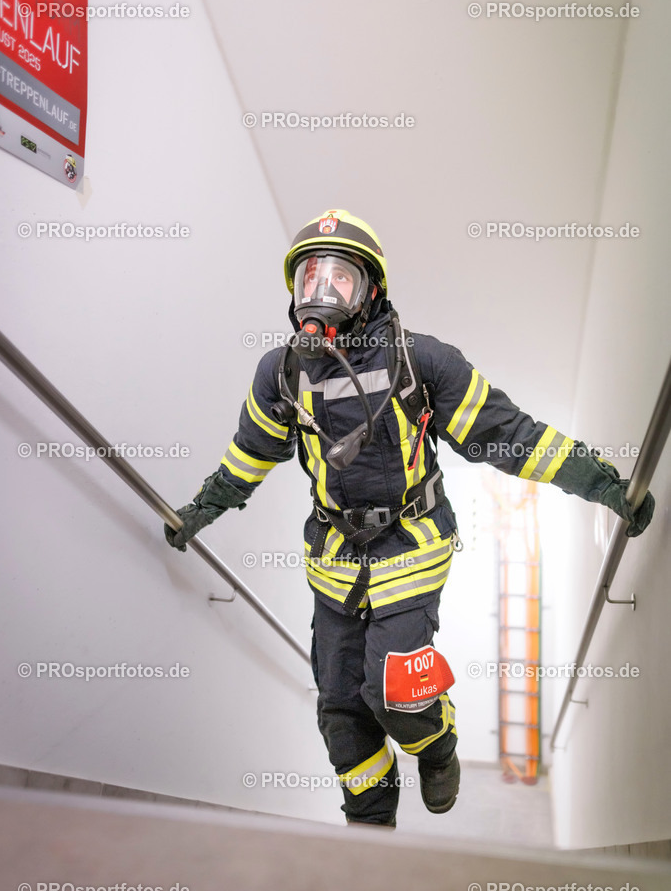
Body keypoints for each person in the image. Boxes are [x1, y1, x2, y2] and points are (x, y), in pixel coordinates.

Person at [164, 210, 654, 828]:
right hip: (334, 559)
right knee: (340, 708)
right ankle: (371, 829)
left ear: (371, 290)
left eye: (339, 277)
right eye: (309, 277)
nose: (320, 291)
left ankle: (438, 745)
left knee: (395, 691)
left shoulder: (422, 361)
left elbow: (511, 435)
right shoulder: (281, 373)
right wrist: (200, 510)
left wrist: (602, 483)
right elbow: (249, 456)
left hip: (412, 545)